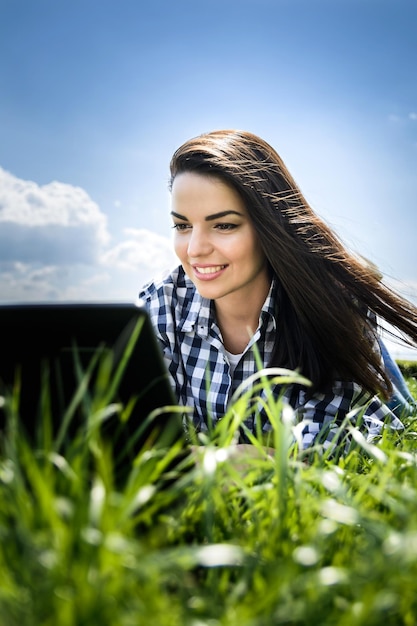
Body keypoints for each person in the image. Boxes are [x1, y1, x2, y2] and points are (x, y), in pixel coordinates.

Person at [139, 129, 417, 454]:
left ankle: (340, 271)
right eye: (182, 226)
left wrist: (238, 457)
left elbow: (325, 446)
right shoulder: (161, 302)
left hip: (366, 370)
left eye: (224, 225)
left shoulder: (331, 305)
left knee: (347, 309)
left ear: (269, 226)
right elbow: (141, 436)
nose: (195, 250)